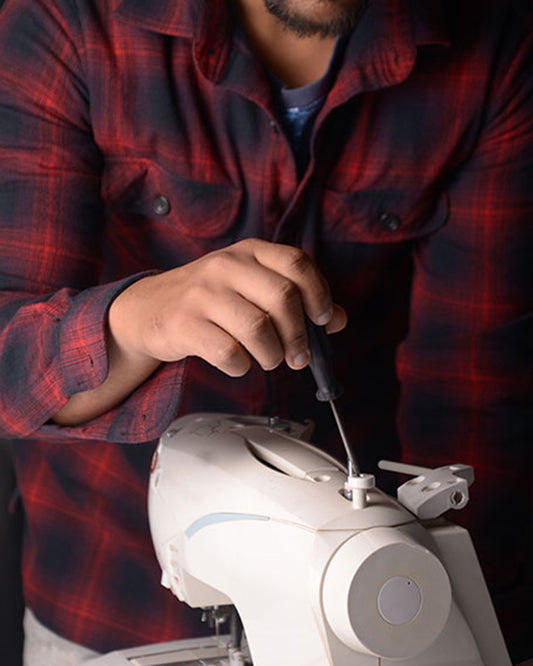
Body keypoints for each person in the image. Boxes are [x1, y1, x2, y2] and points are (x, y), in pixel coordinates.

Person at [0, 0, 531, 664]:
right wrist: (138, 322)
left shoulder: (495, 45)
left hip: (374, 602)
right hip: (111, 591)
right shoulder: (67, 18)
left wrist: (474, 632)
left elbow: (474, 396)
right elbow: (7, 362)